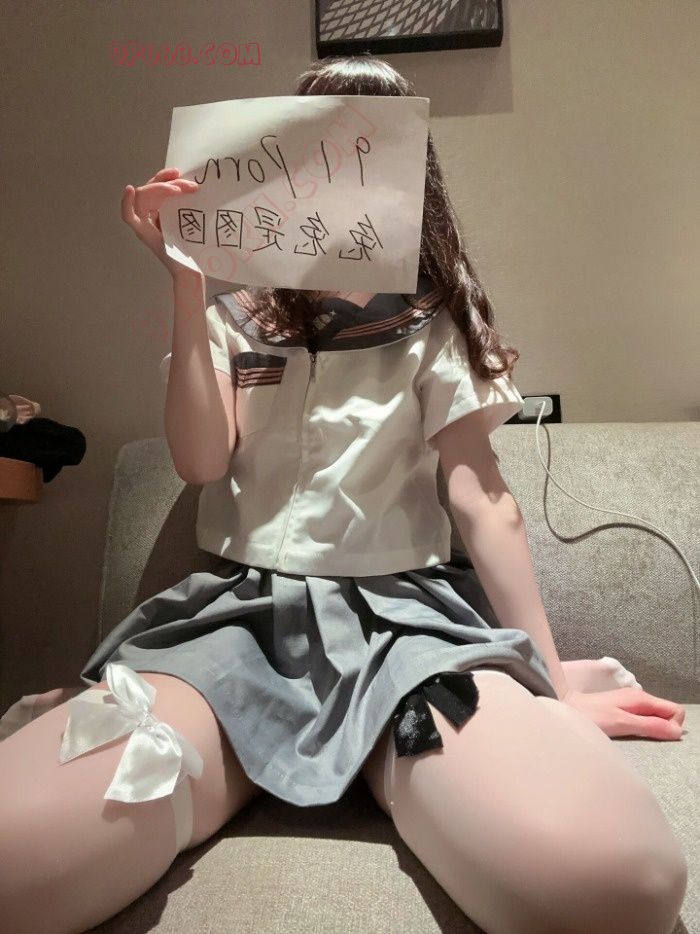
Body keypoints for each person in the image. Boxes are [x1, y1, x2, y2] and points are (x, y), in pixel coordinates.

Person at [0, 55, 688, 934]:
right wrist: (186, 280)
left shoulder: (437, 320)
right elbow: (201, 462)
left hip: (405, 625)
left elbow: (482, 499)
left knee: (612, 880)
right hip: (240, 625)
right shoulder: (236, 318)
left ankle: (395, 763)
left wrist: (552, 681)